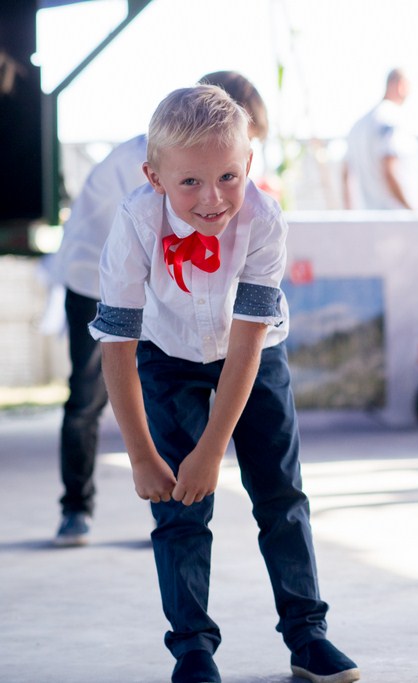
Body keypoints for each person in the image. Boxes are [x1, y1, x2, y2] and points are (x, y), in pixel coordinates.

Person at [88, 85, 359, 683]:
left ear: (249, 166)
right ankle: (192, 647)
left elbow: (246, 348)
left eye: (228, 177)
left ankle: (307, 635)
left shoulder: (263, 220)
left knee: (281, 495)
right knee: (179, 505)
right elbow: (118, 348)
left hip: (254, 354)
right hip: (166, 353)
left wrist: (213, 451)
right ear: (154, 176)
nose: (212, 200)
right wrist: (141, 456)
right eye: (189, 182)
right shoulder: (134, 222)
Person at [51, 71, 268, 547]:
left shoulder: (204, 171)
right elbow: (142, 246)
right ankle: (76, 506)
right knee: (89, 391)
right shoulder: (155, 161)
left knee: (167, 379)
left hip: (152, 271)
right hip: (95, 271)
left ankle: (172, 504)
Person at [341, 68, 417, 210]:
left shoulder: (358, 125)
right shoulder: (391, 118)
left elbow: (346, 175)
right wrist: (412, 212)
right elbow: (389, 170)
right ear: (401, 86)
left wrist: (349, 215)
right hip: (396, 220)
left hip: (368, 219)